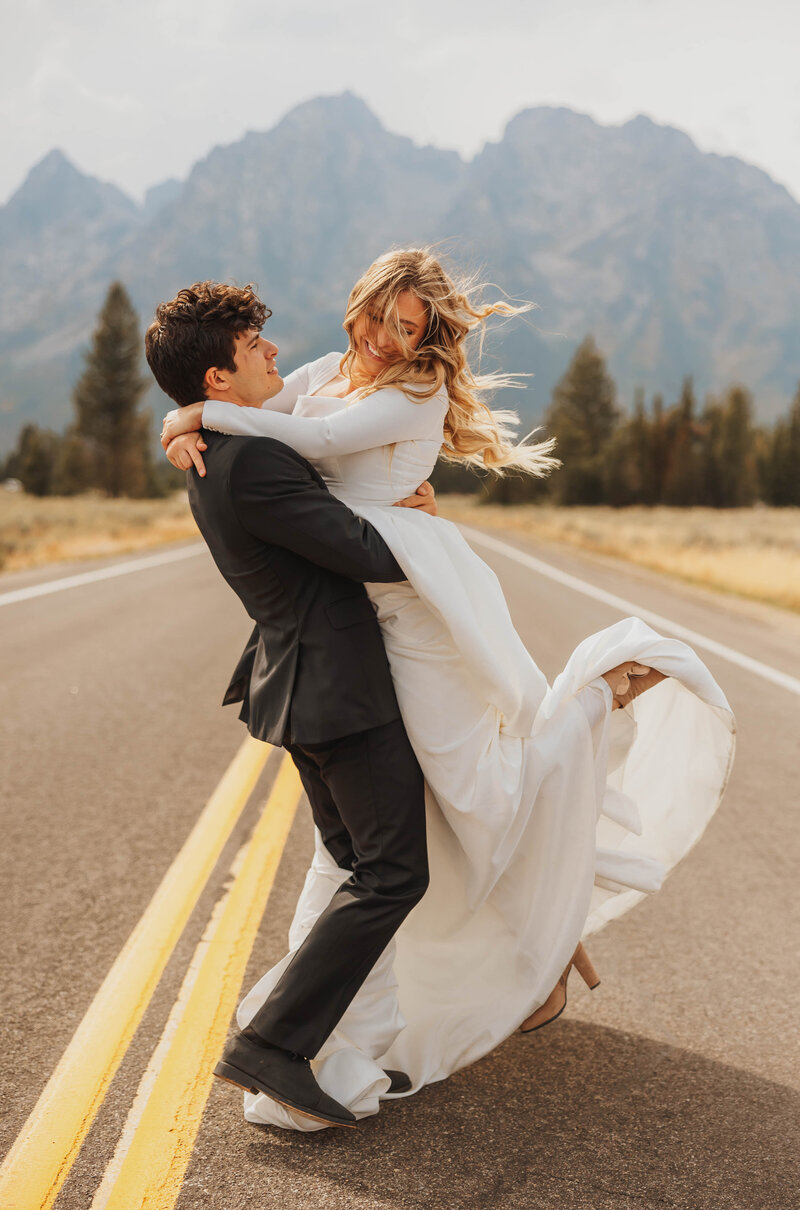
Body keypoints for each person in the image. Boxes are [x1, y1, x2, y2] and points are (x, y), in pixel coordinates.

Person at [161, 250, 735, 1132]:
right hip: (350, 666)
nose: (391, 338)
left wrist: (187, 414)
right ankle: (298, 1042)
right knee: (408, 851)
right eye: (383, 318)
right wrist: (193, 415)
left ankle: (346, 1036)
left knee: (440, 814)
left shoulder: (275, 427)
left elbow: (301, 436)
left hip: (375, 645)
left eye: (412, 326)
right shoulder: (254, 447)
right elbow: (346, 528)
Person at [146, 281, 444, 1128]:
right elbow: (365, 551)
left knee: (359, 865)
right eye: (253, 347)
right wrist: (418, 512)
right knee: (394, 873)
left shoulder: (215, 446)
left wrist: (180, 421)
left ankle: (324, 1040)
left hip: (301, 687)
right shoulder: (257, 459)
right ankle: (271, 1043)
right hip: (339, 688)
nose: (273, 352)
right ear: (218, 380)